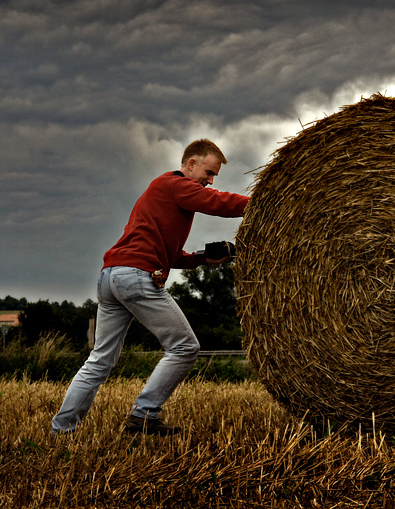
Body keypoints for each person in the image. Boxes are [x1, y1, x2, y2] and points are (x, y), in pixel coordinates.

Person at [51, 139, 249, 436]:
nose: (210, 181)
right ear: (190, 164)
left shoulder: (166, 193)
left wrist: (202, 258)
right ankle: (144, 414)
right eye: (208, 173)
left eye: (214, 177)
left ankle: (61, 431)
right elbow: (218, 202)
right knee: (184, 347)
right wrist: (264, 204)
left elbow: (170, 256)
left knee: (99, 361)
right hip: (135, 276)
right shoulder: (176, 184)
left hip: (111, 276)